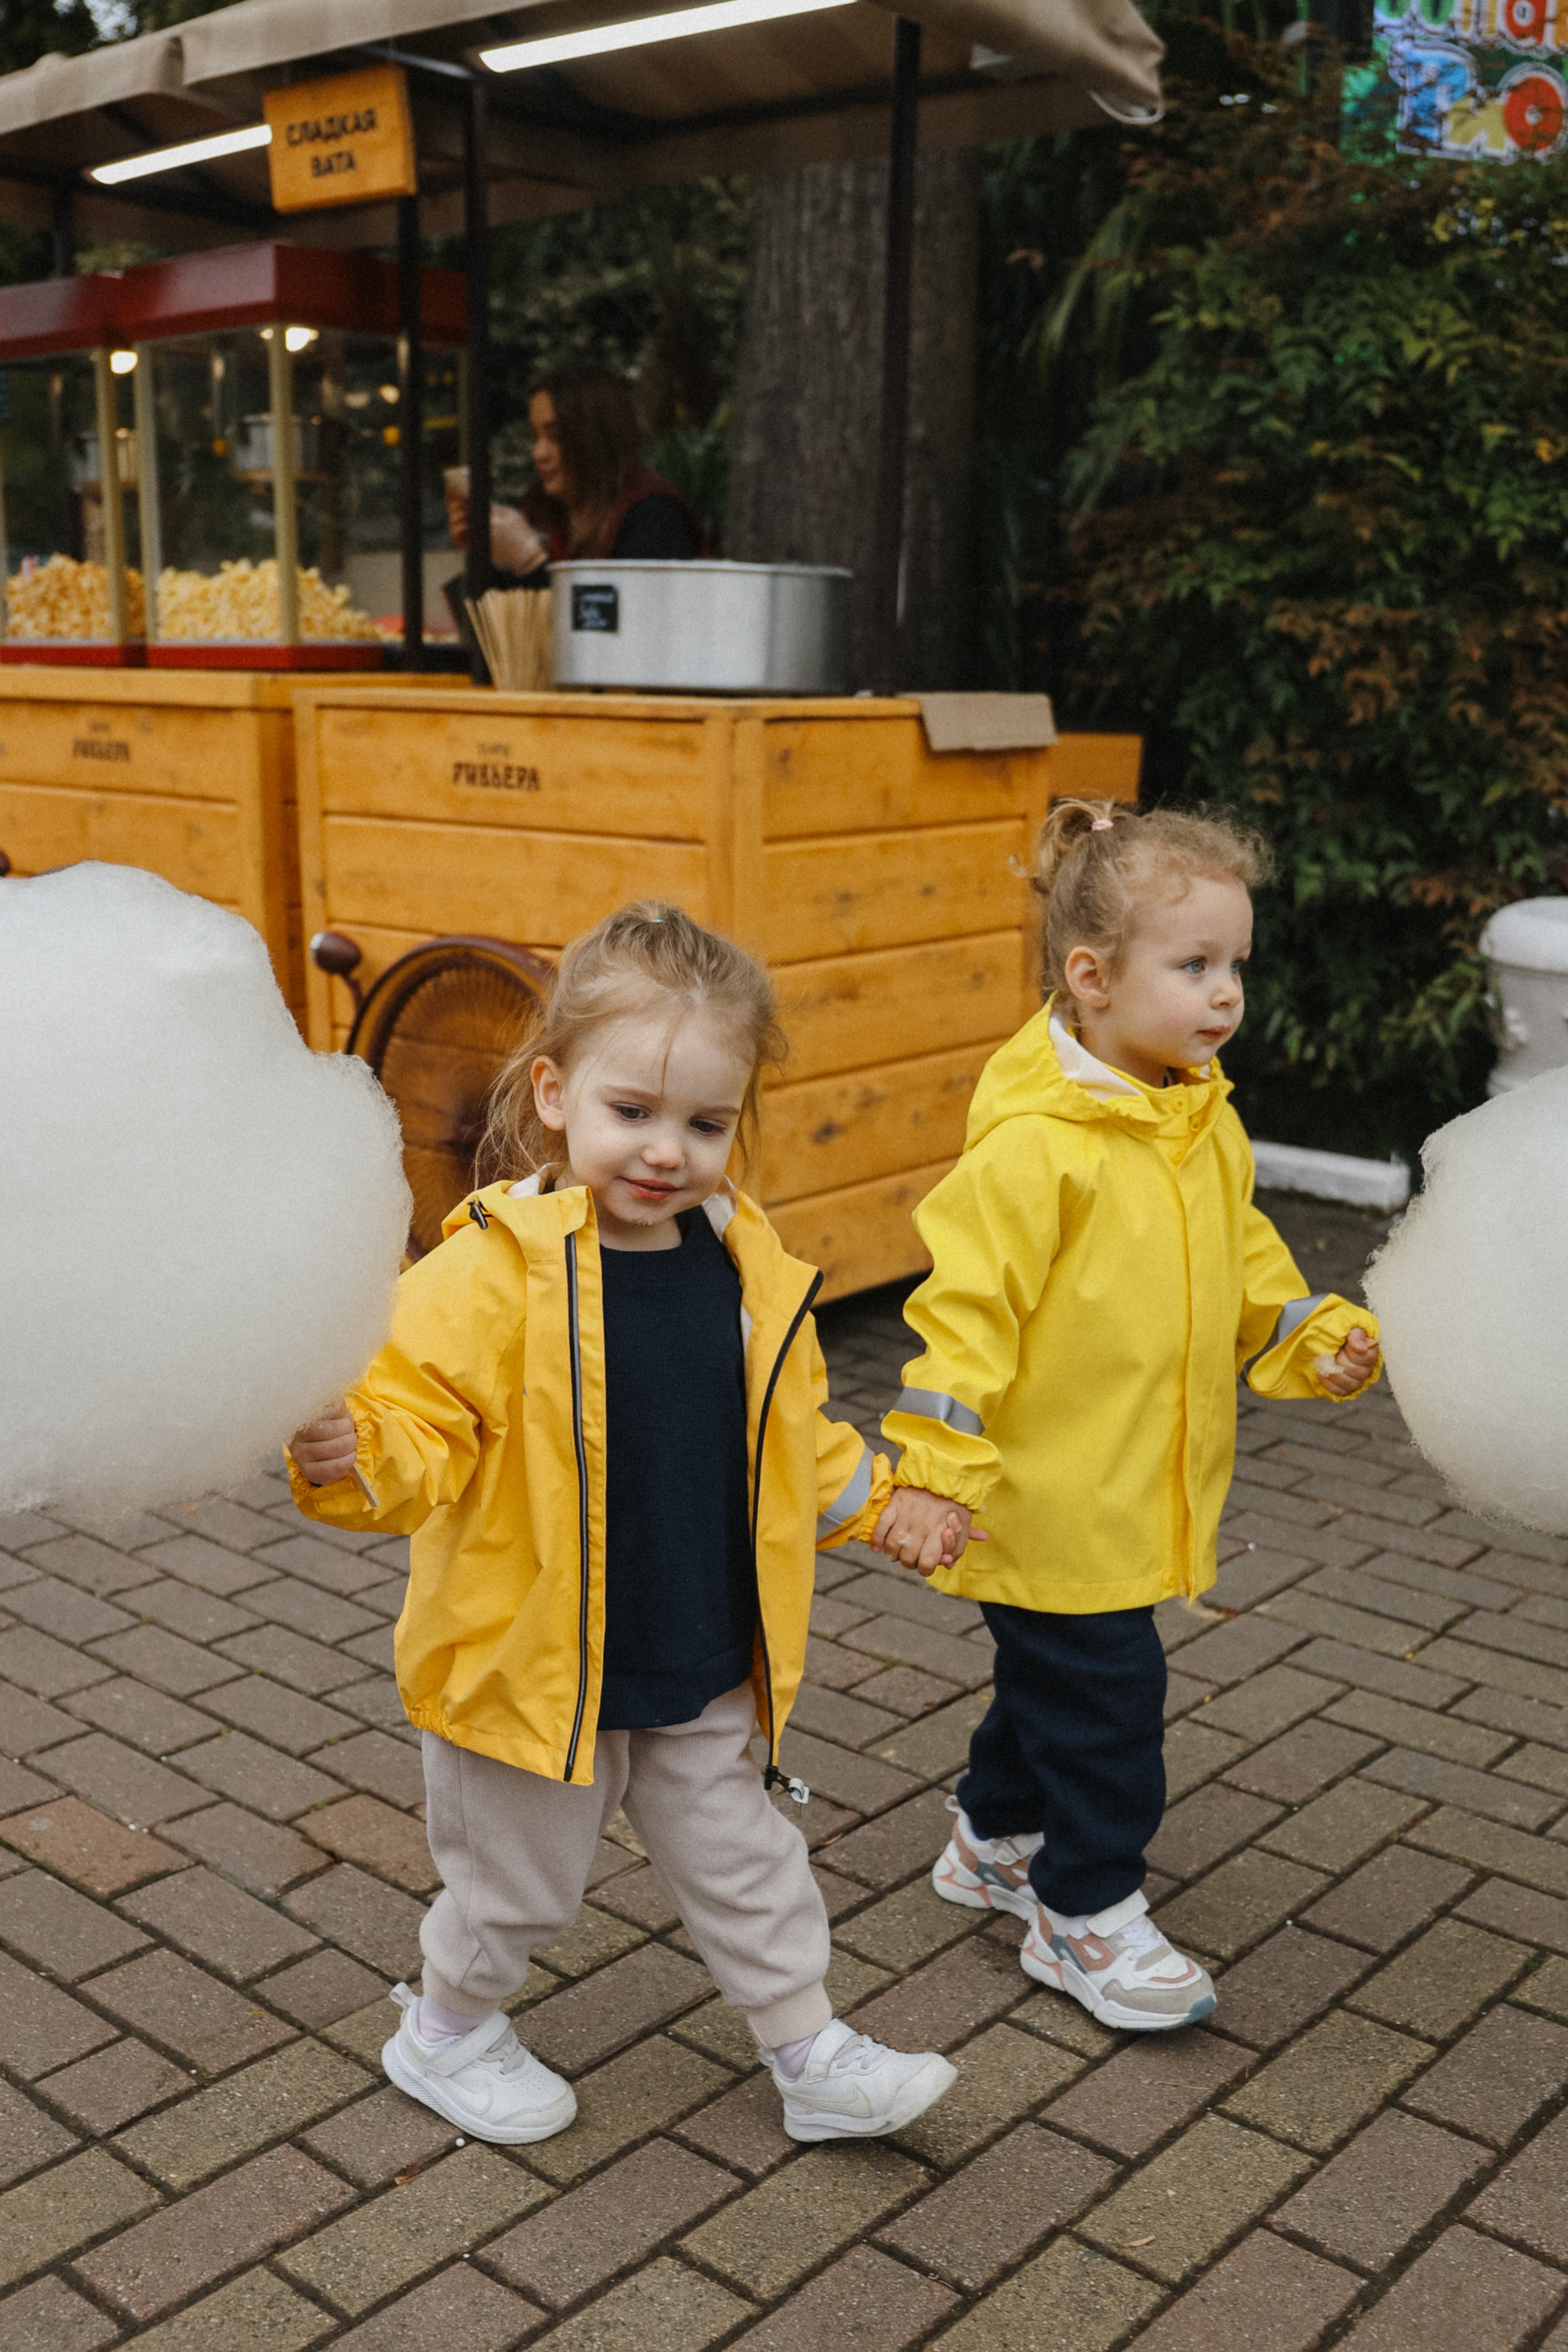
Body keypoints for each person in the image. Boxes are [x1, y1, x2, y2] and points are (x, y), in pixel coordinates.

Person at [285, 902, 956, 2146]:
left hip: (700, 1649)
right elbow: (413, 1431)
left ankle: (809, 2053)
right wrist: (351, 1449)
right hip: (533, 1670)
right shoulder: (482, 1275)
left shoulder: (745, 1260)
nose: (666, 1150)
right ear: (552, 1092)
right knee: (514, 1889)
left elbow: (787, 1438)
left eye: (705, 1123)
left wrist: (878, 1502)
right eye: (631, 1111)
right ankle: (443, 2030)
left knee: (749, 1863)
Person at [870, 800, 1383, 2035]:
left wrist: (1307, 1331)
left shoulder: (1190, 1111)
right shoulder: (1036, 1150)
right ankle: (1081, 1905)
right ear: (1089, 977)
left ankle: (989, 1840)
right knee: (1107, 1707)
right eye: (1192, 965)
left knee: (1046, 1682)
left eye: (1233, 966)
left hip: (1114, 1491)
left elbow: (1239, 1255)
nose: (1222, 996)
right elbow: (962, 1318)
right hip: (1048, 1501)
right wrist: (928, 1471)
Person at [445, 364, 706, 581]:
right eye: (535, 437)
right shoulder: (539, 507)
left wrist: (531, 561)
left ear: (596, 437)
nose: (538, 453)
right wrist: (482, 551)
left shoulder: (653, 514)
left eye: (555, 436)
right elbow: (505, 627)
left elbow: (612, 626)